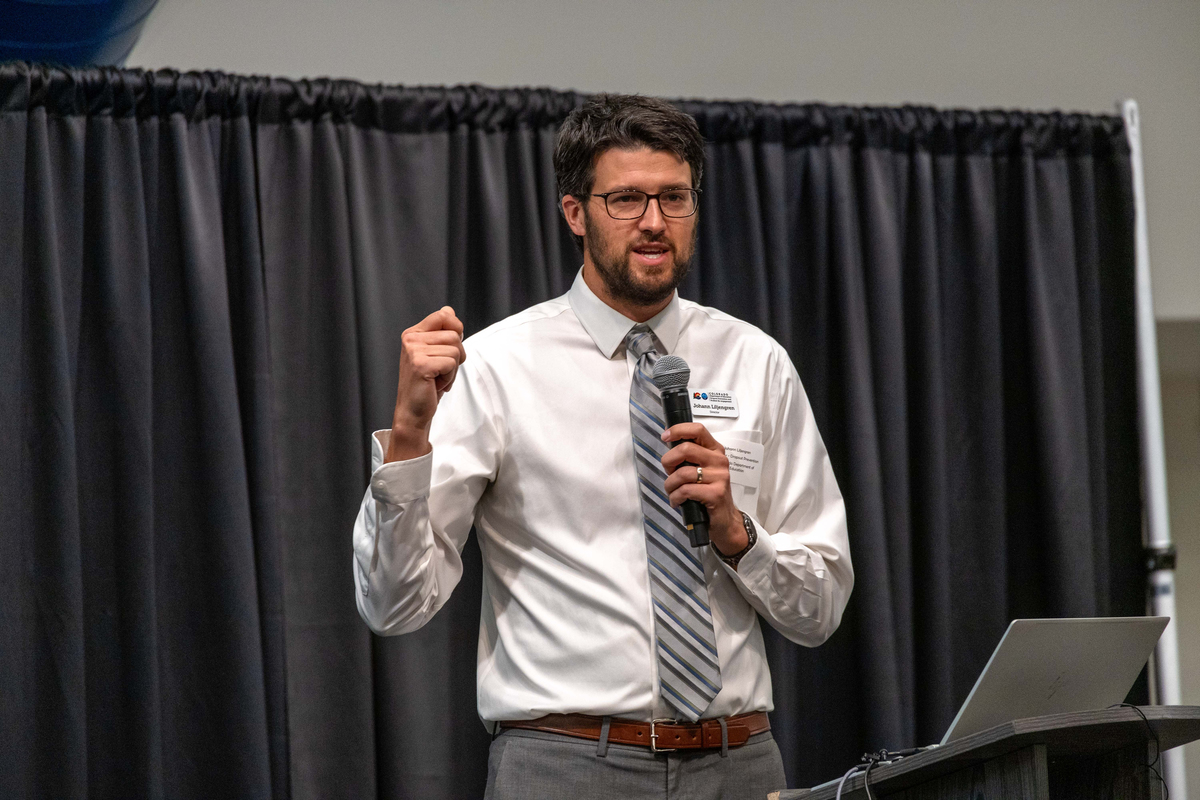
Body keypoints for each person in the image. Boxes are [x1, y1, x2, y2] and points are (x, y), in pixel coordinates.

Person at [353, 94, 853, 800]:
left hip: (739, 763)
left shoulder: (756, 362)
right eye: (626, 199)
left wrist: (737, 535)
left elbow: (823, 607)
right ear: (575, 213)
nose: (654, 222)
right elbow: (393, 605)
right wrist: (408, 439)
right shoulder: (497, 367)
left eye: (674, 198)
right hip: (564, 765)